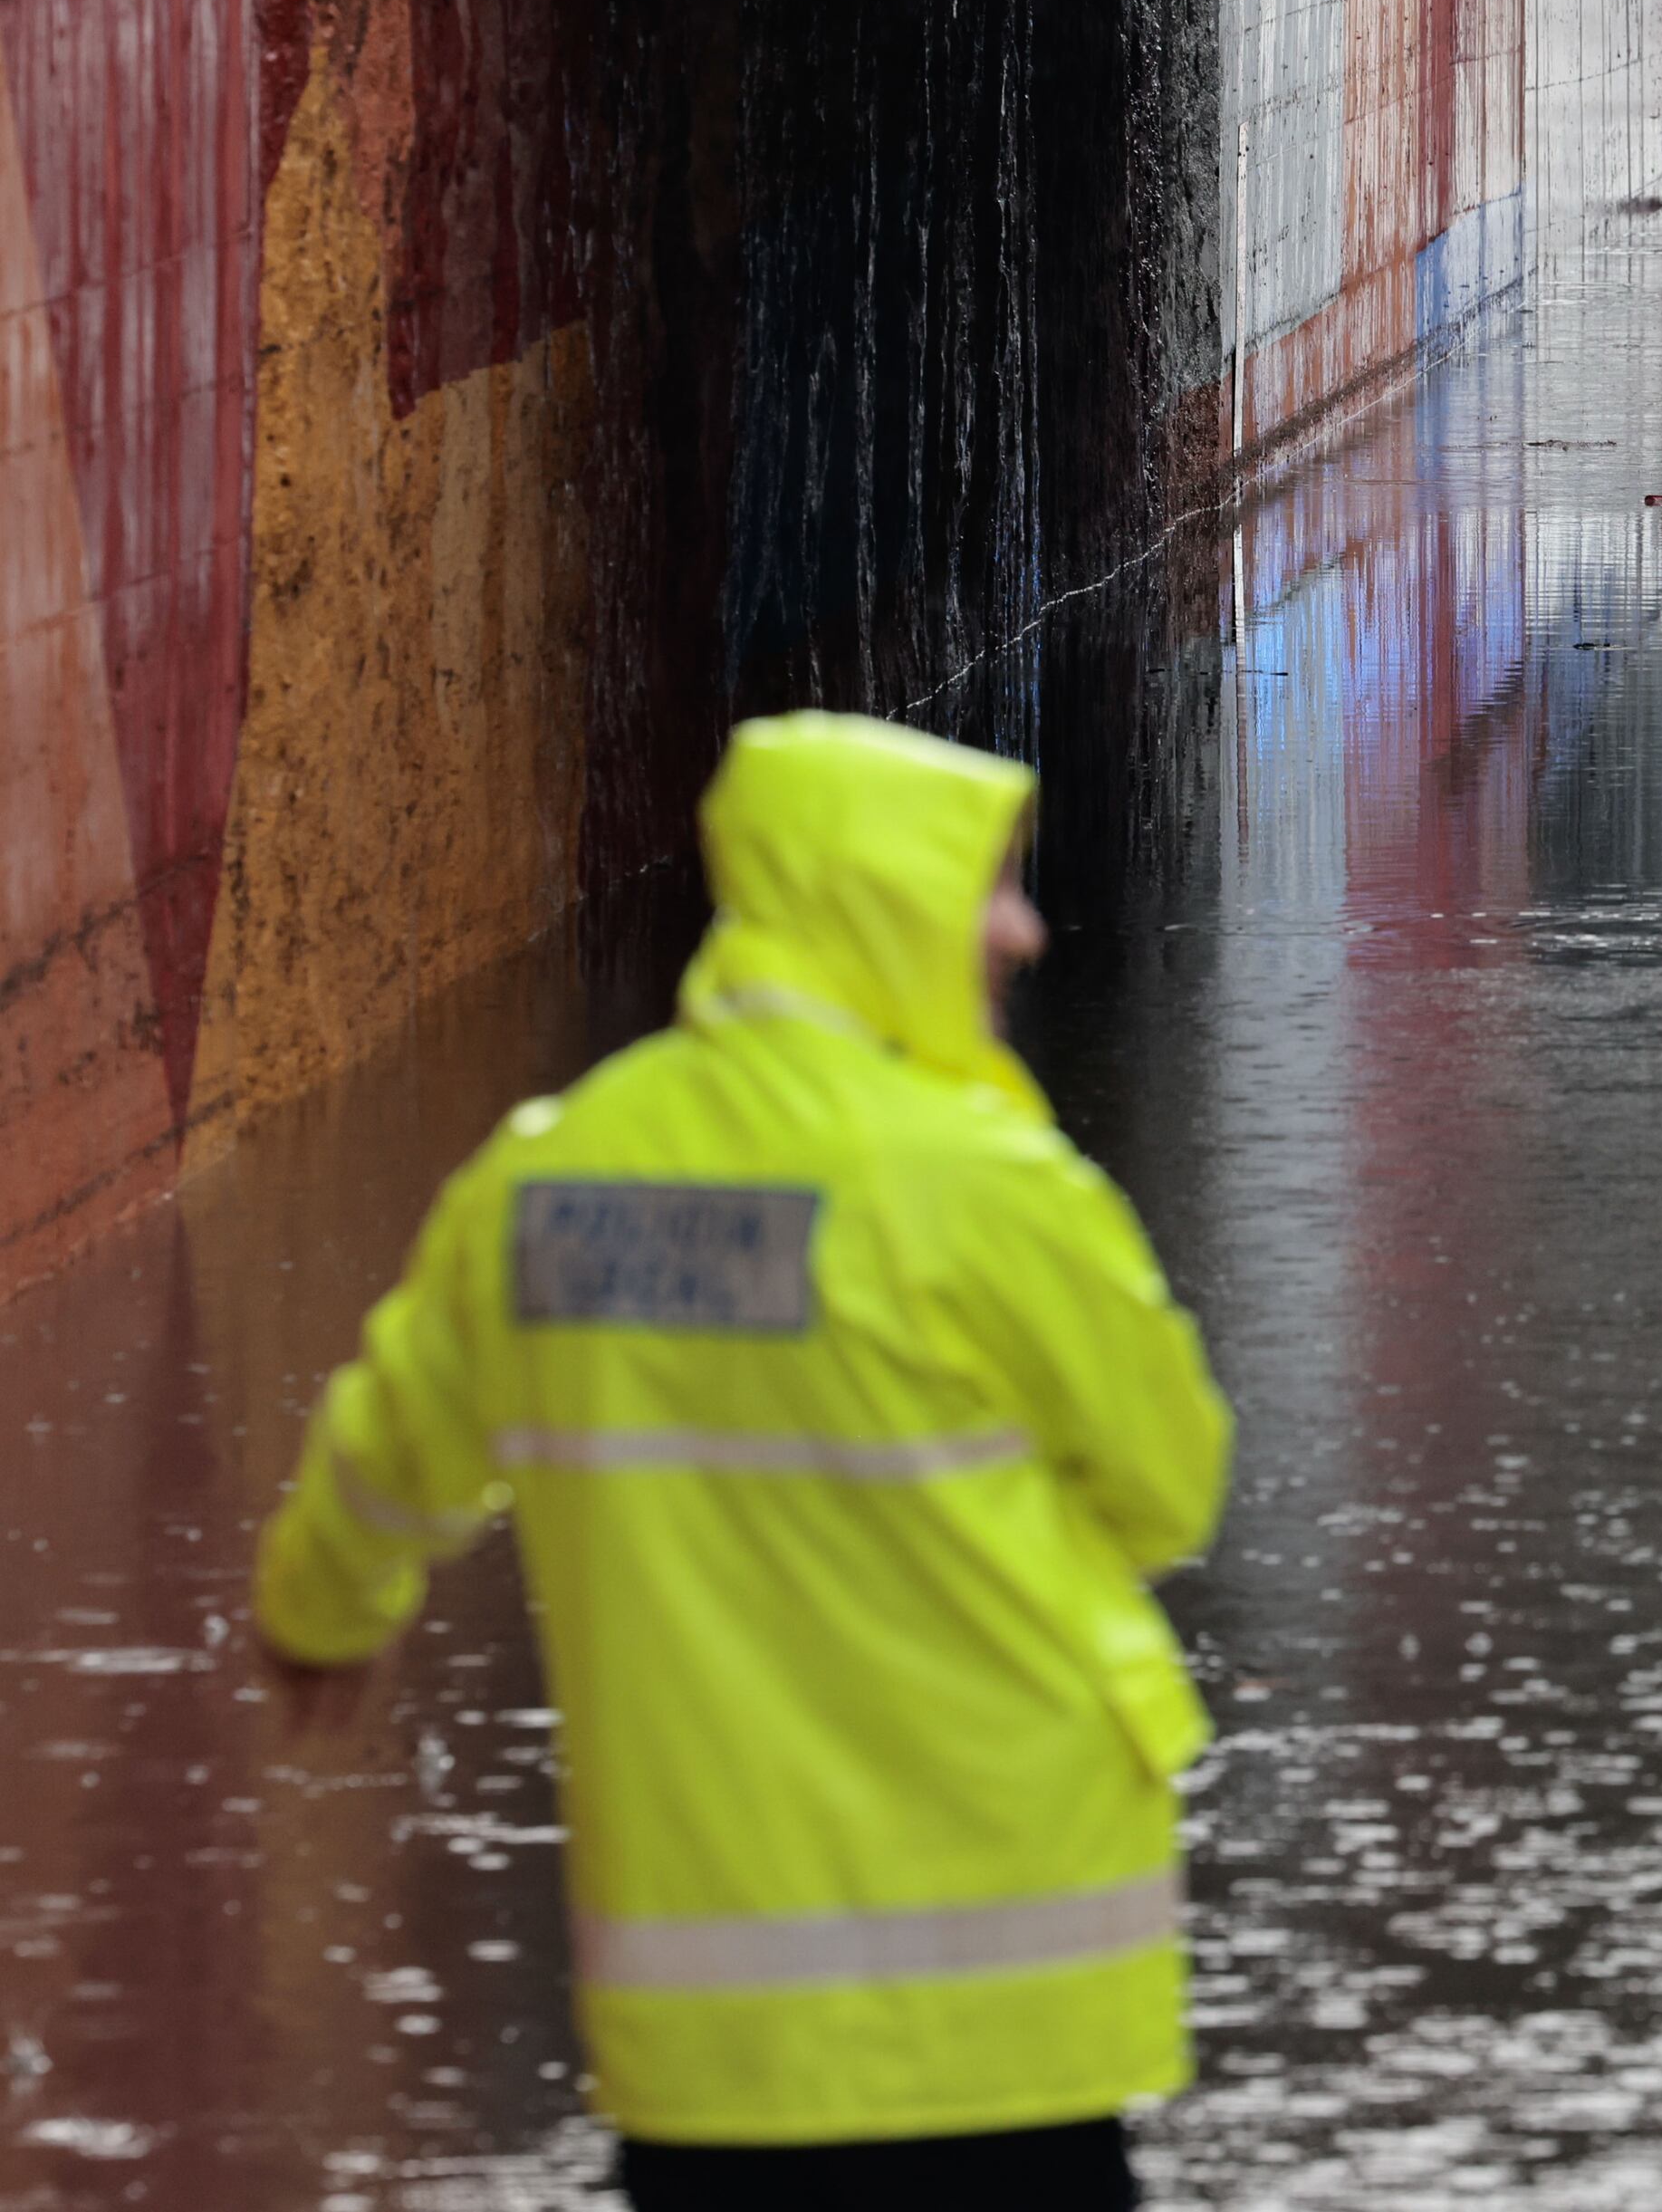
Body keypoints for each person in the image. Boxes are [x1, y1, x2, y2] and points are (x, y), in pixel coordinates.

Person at [252, 712, 1234, 2212]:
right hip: (1011, 2008)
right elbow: (1170, 1489)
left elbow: (390, 1446)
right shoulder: (989, 1186)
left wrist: (323, 1612)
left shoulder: (554, 1181)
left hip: (711, 2047)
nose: (1026, 930)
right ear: (882, 903)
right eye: (992, 884)